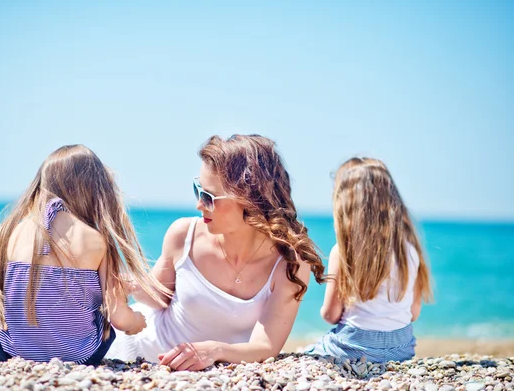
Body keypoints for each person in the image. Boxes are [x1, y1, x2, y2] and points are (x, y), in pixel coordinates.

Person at [107, 134, 325, 370]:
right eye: (197, 189)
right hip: (135, 356)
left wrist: (215, 351)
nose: (199, 205)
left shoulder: (290, 263)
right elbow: (157, 299)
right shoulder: (184, 234)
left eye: (208, 197)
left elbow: (266, 346)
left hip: (205, 373)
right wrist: (129, 283)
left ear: (250, 200)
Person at [0, 144, 167, 365]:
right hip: (80, 355)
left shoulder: (9, 231)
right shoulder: (96, 239)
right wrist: (136, 321)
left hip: (12, 350)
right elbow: (117, 315)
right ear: (95, 190)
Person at [307, 157, 433, 363]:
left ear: (345, 206)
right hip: (401, 349)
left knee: (308, 353)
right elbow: (413, 313)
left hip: (353, 348)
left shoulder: (343, 251)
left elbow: (330, 315)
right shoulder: (410, 251)